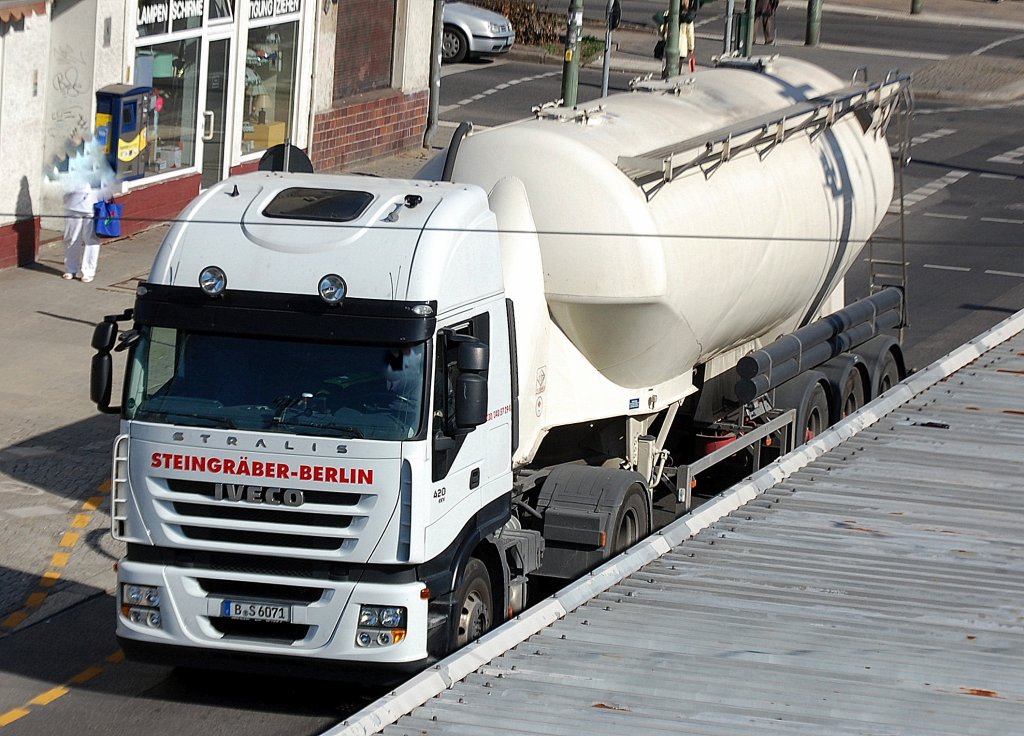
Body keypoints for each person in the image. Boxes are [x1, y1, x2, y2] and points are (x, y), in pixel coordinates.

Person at [62, 180, 102, 282]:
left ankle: (88, 271)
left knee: (91, 239)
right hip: (72, 204)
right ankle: (70, 268)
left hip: (93, 205)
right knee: (71, 237)